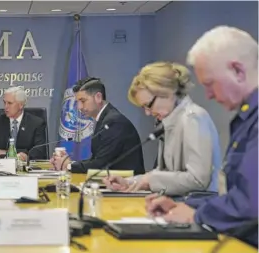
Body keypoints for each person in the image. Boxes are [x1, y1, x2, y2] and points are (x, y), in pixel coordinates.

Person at [146, 26, 258, 247]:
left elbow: (252, 204)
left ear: (238, 70)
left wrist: (196, 215)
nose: (208, 95)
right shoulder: (246, 117)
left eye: (210, 84)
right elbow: (236, 193)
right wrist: (192, 206)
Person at [103, 62, 221, 196]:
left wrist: (151, 180)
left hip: (197, 208)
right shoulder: (170, 121)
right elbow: (163, 174)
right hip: (174, 204)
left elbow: (198, 180)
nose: (147, 113)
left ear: (167, 93)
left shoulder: (193, 118)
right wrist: (129, 182)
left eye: (148, 105)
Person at [51, 77, 145, 174]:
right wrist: (68, 163)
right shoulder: (106, 119)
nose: (79, 107)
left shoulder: (114, 122)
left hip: (126, 186)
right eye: (77, 102)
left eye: (83, 101)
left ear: (98, 97)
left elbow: (100, 165)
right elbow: (97, 160)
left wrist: (69, 165)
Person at [0, 86, 47, 161]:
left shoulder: (36, 123)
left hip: (27, 169)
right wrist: (21, 153)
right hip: (2, 168)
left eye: (10, 103)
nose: (5, 107)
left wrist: (6, 152)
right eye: (4, 102)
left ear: (21, 105)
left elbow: (39, 152)